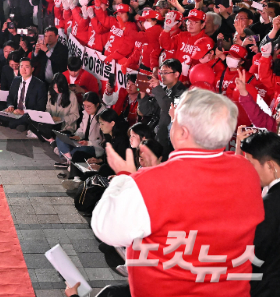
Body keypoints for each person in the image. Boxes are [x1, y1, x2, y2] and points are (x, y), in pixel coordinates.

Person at [93, 89, 264, 297]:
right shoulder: (247, 172)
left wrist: (123, 178)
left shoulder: (148, 183)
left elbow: (106, 230)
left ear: (183, 133)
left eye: (174, 119)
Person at [237, 130, 280, 297]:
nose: (249, 171)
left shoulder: (268, 206)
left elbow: (255, 253)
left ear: (270, 165)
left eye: (251, 165)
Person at [0, 57, 47, 131]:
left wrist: (23, 112)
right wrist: (10, 106)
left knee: (27, 118)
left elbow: (41, 107)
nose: (23, 70)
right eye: (21, 67)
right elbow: (10, 96)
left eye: (27, 67)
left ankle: (8, 123)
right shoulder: (16, 80)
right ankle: (19, 124)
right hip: (15, 111)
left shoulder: (40, 85)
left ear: (32, 69)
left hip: (26, 113)